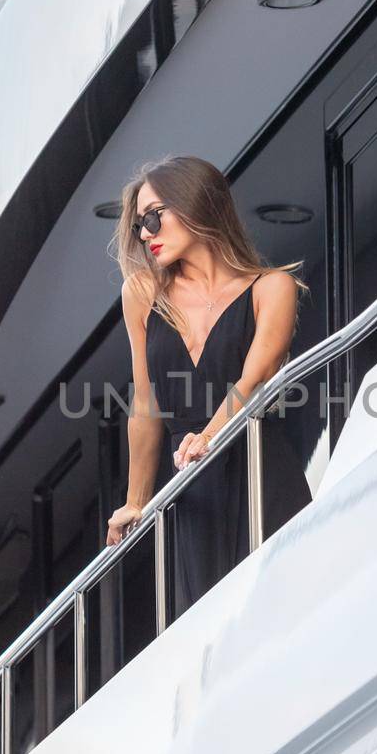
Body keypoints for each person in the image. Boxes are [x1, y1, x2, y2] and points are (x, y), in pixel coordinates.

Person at [104, 155, 313, 614]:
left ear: (196, 204)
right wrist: (135, 502)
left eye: (154, 217)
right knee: (213, 627)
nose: (145, 233)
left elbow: (257, 376)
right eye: (140, 223)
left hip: (259, 468)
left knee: (282, 608)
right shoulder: (142, 295)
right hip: (196, 491)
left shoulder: (271, 287)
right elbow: (145, 406)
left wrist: (211, 434)